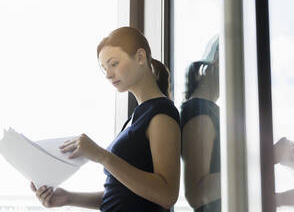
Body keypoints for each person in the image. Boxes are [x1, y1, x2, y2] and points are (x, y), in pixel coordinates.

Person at [180, 38, 294, 211]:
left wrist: (280, 199)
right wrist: (268, 157)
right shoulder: (199, 109)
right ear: (218, 59)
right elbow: (197, 193)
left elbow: (226, 191)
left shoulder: (210, 112)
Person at [30, 27, 181, 212]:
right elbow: (122, 194)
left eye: (114, 63)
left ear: (140, 57)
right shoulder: (135, 118)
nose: (108, 74)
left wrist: (101, 156)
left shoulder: (161, 113)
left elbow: (167, 195)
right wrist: (69, 197)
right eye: (104, 68)